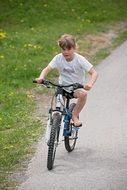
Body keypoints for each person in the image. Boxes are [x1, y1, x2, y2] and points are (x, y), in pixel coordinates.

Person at [36, 34, 98, 127]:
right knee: (57, 109)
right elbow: (47, 69)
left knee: (83, 94)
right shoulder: (58, 58)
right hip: (63, 86)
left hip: (76, 87)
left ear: (74, 48)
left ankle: (75, 115)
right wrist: (41, 77)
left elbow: (94, 73)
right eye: (63, 49)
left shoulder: (80, 59)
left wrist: (90, 84)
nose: (66, 52)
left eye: (69, 49)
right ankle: (54, 126)